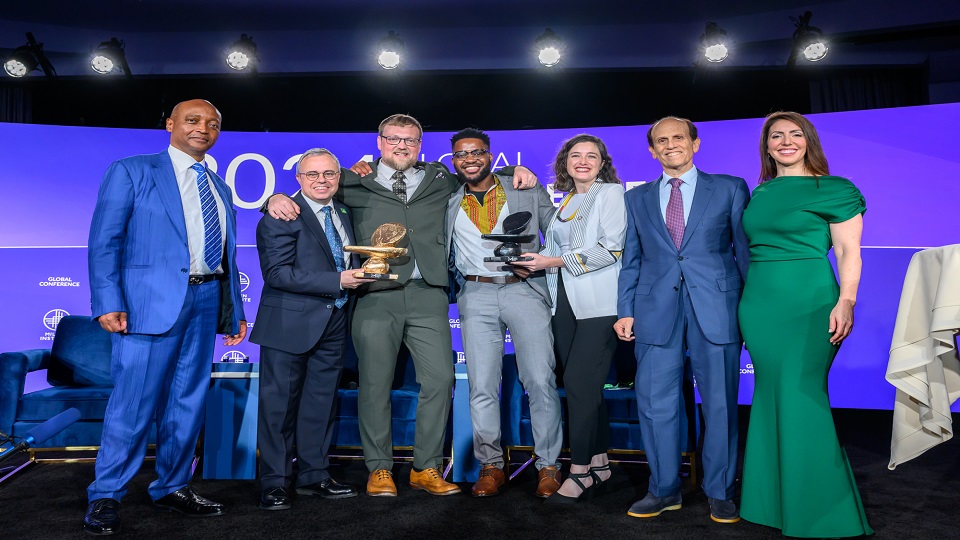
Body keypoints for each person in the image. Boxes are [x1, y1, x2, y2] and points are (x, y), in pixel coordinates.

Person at [264, 114, 537, 497]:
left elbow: (477, 173)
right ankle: (379, 468)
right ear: (379, 142)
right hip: (376, 293)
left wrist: (514, 170)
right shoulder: (352, 179)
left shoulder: (440, 178)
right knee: (375, 383)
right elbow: (310, 192)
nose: (401, 145)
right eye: (393, 139)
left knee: (440, 380)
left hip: (428, 293)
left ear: (420, 144)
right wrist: (272, 198)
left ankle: (425, 467)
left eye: (409, 140)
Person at [85, 99, 247, 535]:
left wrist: (235, 309)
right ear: (171, 124)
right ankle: (106, 494)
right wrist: (107, 300)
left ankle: (173, 486)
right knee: (133, 404)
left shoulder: (218, 185)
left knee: (187, 402)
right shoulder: (132, 170)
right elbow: (105, 240)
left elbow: (227, 255)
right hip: (146, 306)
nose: (203, 129)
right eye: (193, 120)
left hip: (206, 300)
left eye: (212, 123)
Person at [738, 111, 872, 537]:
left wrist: (847, 300)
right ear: (766, 145)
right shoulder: (761, 192)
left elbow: (849, 251)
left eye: (795, 134)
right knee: (769, 396)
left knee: (802, 394)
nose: (786, 141)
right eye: (776, 135)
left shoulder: (835, 189)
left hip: (811, 302)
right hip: (759, 306)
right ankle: (771, 505)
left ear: (809, 141)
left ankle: (820, 514)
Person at [614, 117, 749, 523]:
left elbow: (744, 252)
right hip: (654, 310)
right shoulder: (636, 198)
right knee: (655, 404)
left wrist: (751, 309)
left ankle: (720, 491)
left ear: (695, 143)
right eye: (661, 140)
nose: (670, 144)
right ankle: (663, 489)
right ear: (652, 150)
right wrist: (625, 309)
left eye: (678, 137)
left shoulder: (729, 187)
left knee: (720, 404)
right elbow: (631, 258)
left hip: (718, 307)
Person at [251, 148, 373, 511]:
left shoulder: (344, 212)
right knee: (278, 408)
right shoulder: (281, 214)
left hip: (334, 320)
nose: (322, 180)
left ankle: (314, 475)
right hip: (289, 324)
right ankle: (275, 482)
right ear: (299, 179)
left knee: (321, 404)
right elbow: (278, 274)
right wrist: (339, 280)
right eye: (313, 175)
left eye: (329, 174)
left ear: (338, 177)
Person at [444, 128, 562, 498]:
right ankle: (491, 465)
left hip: (525, 289)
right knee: (481, 384)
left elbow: (558, 234)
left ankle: (548, 465)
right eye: (461, 154)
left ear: (490, 155)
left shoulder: (524, 187)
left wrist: (541, 263)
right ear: (454, 160)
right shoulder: (447, 196)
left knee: (539, 380)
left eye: (477, 152)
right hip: (475, 292)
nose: (470, 159)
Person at [512, 134, 626, 504]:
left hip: (599, 303)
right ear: (565, 163)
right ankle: (600, 464)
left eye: (591, 155)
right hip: (562, 302)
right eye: (575, 155)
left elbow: (611, 249)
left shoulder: (611, 194)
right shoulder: (568, 200)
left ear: (602, 163)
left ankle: (579, 471)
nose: (583, 161)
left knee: (578, 382)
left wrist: (551, 261)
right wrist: (530, 263)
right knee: (586, 387)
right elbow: (554, 247)